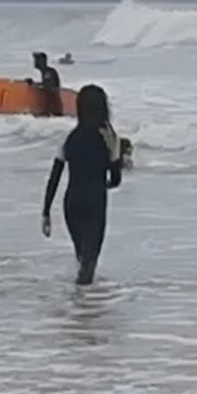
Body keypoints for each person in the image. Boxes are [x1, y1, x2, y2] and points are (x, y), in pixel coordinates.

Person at [42, 85, 124, 285]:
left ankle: (79, 304)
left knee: (82, 258)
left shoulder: (69, 138)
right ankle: (85, 308)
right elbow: (115, 179)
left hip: (71, 202)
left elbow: (54, 176)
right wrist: (101, 183)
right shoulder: (109, 138)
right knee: (90, 262)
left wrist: (46, 211)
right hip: (95, 201)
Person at [31, 52, 63, 117]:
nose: (35, 62)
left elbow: (49, 87)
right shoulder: (46, 72)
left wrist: (37, 86)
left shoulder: (48, 72)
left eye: (37, 60)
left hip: (53, 110)